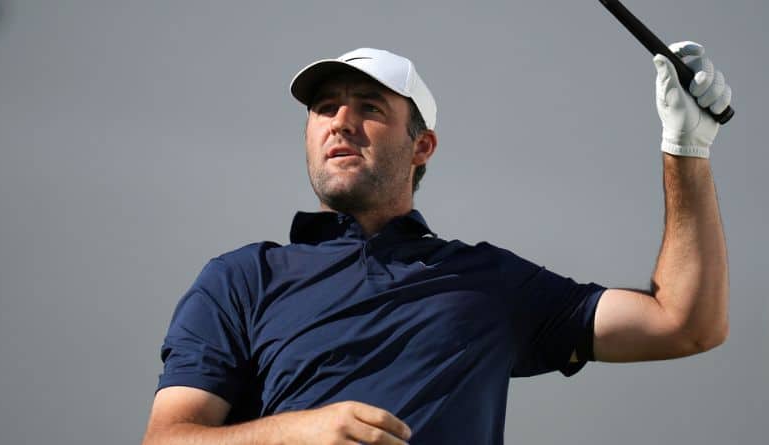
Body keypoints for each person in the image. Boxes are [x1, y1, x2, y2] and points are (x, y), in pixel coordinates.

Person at [141, 43, 732, 444]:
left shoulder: (488, 281)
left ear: (421, 146)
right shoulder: (242, 278)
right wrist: (297, 433)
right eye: (324, 108)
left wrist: (686, 149)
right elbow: (168, 438)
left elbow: (684, 323)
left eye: (369, 107)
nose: (340, 121)